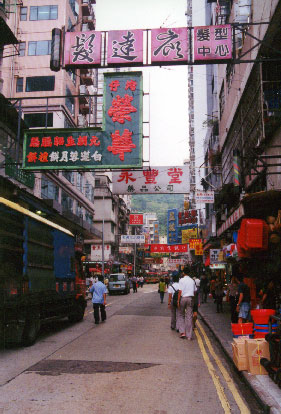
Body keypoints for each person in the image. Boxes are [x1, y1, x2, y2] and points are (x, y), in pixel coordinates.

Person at [177, 265, 196, 340]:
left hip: (183, 298)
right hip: (190, 299)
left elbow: (180, 291)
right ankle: (189, 335)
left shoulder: (181, 280)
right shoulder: (192, 280)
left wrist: (178, 301)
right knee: (189, 317)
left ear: (183, 272)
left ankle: (183, 332)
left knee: (181, 315)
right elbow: (194, 291)